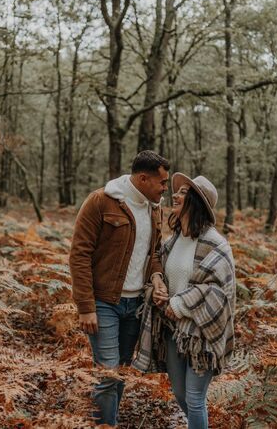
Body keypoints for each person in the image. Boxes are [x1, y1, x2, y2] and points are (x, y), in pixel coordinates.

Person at [69, 150, 170, 427]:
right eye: (162, 183)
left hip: (136, 305)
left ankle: (106, 420)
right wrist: (86, 307)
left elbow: (154, 254)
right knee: (108, 373)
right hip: (104, 303)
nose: (165, 188)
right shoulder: (101, 201)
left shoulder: (154, 209)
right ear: (142, 178)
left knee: (122, 371)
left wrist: (158, 275)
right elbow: (79, 255)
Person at [133, 173, 236, 429]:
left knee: (195, 398)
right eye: (176, 192)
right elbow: (157, 275)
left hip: (201, 335)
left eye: (182, 193)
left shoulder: (216, 244)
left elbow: (218, 293)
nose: (174, 195)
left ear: (196, 203)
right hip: (172, 331)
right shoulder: (173, 241)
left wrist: (179, 305)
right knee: (179, 394)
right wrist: (157, 290)